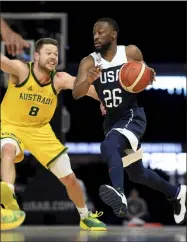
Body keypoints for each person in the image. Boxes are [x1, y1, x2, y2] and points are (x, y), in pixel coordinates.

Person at [72, 18, 186, 224]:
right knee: (137, 173)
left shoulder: (130, 52)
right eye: (93, 33)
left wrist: (149, 75)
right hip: (111, 121)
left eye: (100, 32)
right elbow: (76, 93)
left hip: (131, 116)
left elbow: (145, 74)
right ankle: (176, 192)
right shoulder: (89, 61)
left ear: (113, 34)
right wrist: (88, 81)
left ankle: (119, 193)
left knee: (108, 146)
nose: (96, 36)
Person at [0, 37, 107, 231]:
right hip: (11, 125)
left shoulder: (60, 79)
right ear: (36, 55)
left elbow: (84, 87)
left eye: (55, 54)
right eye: (48, 53)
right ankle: (9, 203)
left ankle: (85, 216)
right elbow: (3, 61)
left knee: (70, 179)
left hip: (40, 130)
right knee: (8, 149)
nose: (53, 57)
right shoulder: (22, 70)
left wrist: (102, 99)